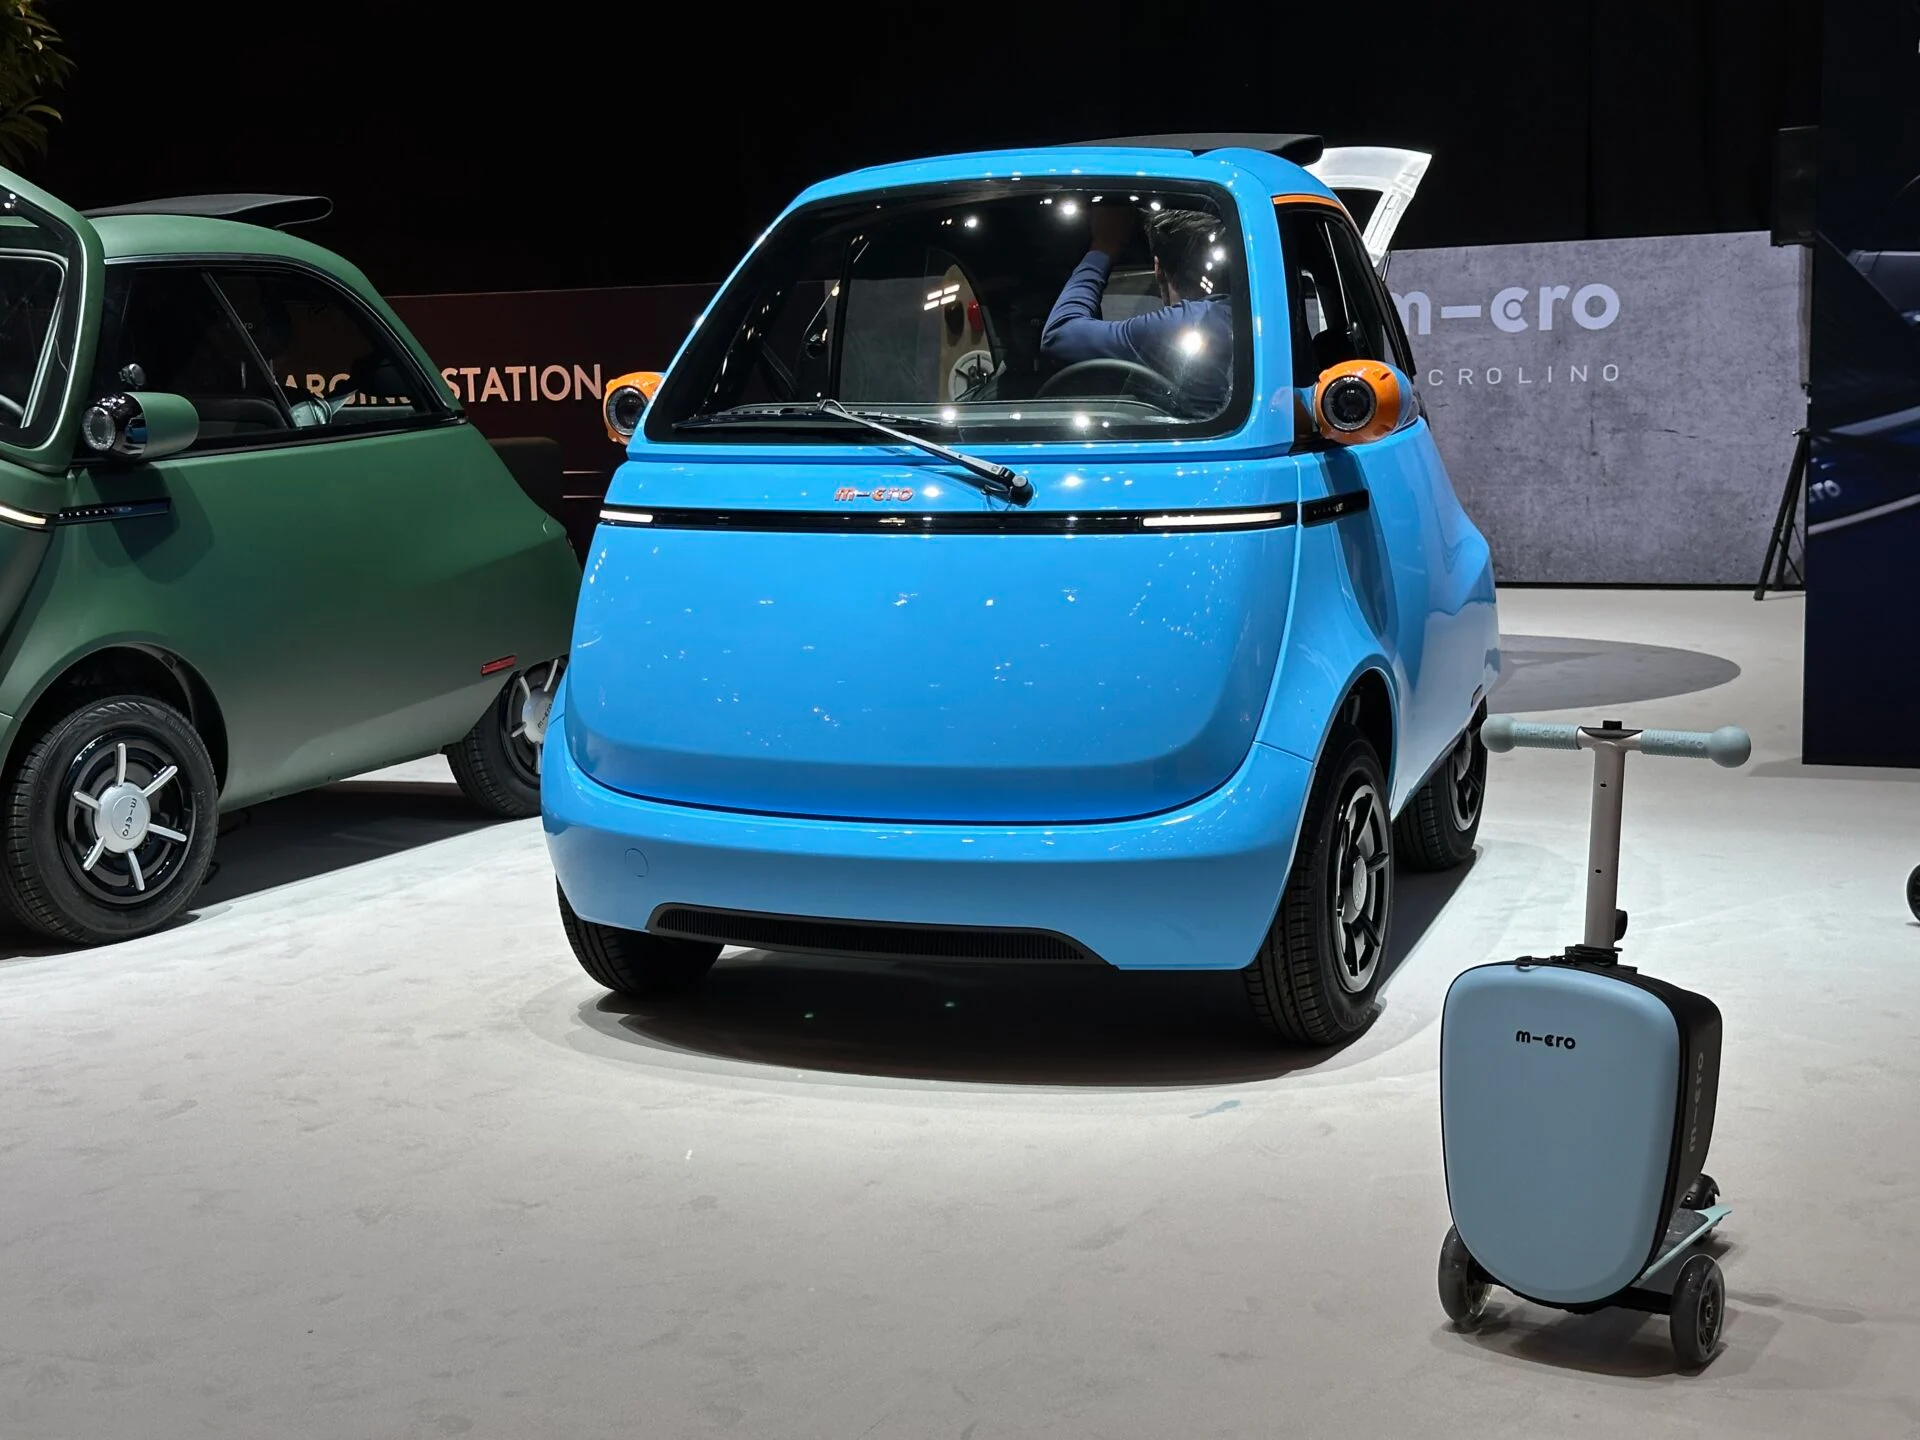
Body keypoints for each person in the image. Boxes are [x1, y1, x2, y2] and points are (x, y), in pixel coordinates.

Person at [1039, 204, 1232, 416]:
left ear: (1158, 268)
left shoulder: (1191, 322)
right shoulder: (1236, 314)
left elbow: (1059, 335)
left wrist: (1104, 245)